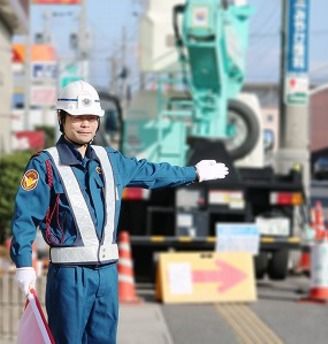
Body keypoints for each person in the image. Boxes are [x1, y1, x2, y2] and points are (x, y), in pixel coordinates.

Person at [10, 80, 229, 343]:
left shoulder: (110, 160)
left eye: (91, 118)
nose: (85, 124)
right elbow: (25, 218)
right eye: (78, 118)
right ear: (62, 118)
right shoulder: (45, 164)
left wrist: (193, 173)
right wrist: (24, 264)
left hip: (107, 275)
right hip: (70, 277)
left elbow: (152, 173)